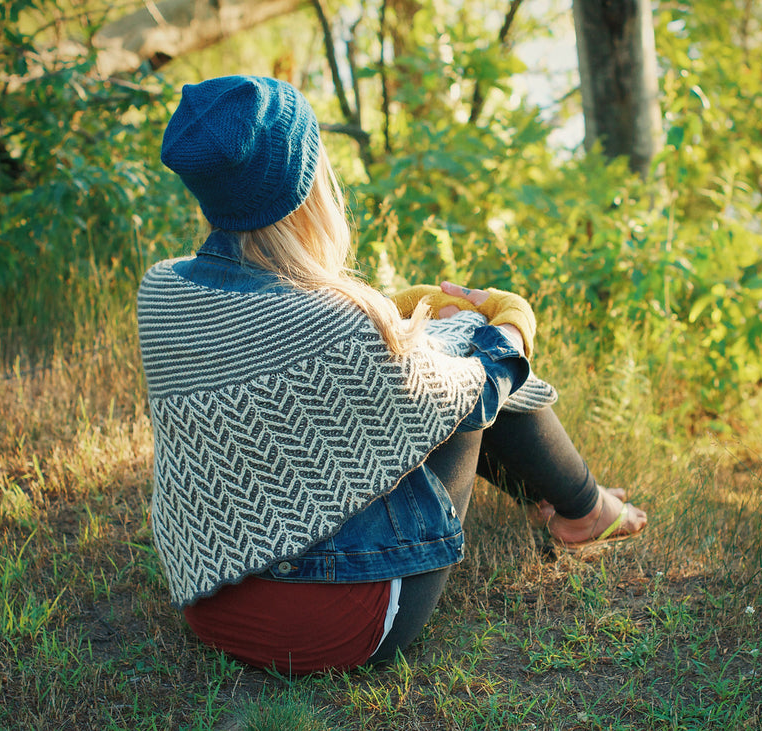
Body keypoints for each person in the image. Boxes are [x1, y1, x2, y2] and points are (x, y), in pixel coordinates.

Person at [137, 75, 647, 676]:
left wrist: (405, 320)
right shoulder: (339, 324)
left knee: (433, 360)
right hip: (341, 623)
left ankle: (581, 503)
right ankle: (584, 508)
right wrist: (509, 321)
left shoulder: (163, 290)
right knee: (471, 371)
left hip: (210, 601)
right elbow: (474, 386)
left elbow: (308, 361)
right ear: (306, 178)